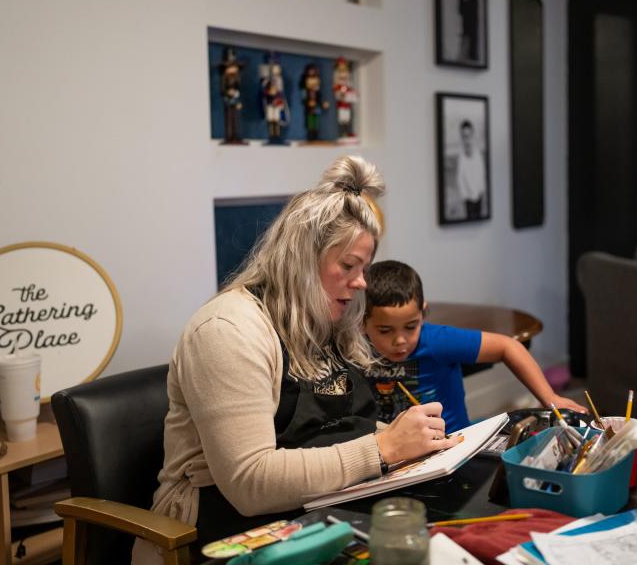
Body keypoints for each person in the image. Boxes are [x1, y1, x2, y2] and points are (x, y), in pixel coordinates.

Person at [133, 157, 460, 562]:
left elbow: (335, 425)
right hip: (225, 530)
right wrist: (382, 448)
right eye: (348, 266)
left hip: (323, 507)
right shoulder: (226, 331)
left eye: (365, 267)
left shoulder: (326, 321)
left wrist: (410, 442)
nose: (362, 283)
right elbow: (250, 483)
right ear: (303, 258)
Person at [362, 260, 586, 434]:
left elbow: (509, 347)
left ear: (423, 312)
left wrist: (550, 397)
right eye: (385, 331)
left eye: (411, 326)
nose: (400, 340)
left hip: (451, 446)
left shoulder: (437, 341)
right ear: (361, 323)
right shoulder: (355, 348)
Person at [456, 120, 486, 219]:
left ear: (473, 136)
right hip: (468, 199)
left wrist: (480, 193)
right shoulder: (461, 158)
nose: (467, 140)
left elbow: (482, 176)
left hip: (479, 197)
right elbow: (460, 179)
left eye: (469, 136)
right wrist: (465, 196)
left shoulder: (478, 156)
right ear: (461, 138)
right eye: (464, 136)